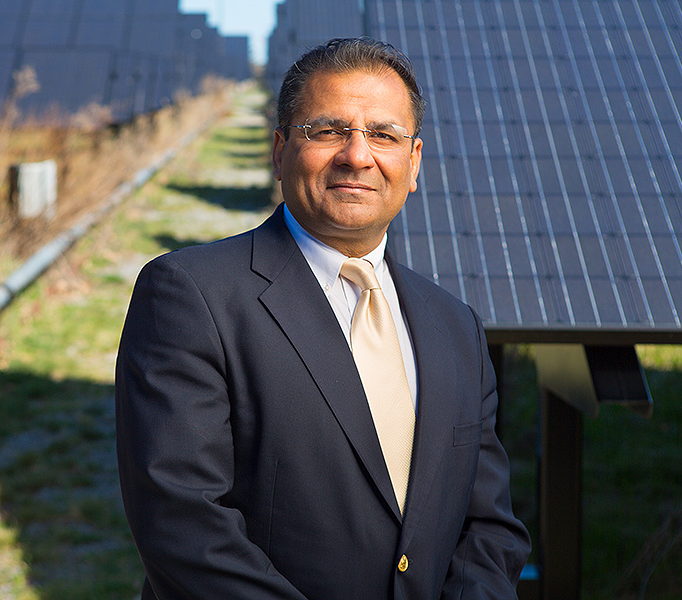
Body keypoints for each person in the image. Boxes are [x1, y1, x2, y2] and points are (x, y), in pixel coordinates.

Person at [115, 37, 531, 599]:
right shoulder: (191, 296)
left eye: (384, 135)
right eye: (328, 131)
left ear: (413, 163)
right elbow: (184, 528)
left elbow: (489, 530)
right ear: (280, 149)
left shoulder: (456, 327)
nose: (357, 155)